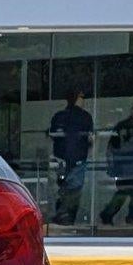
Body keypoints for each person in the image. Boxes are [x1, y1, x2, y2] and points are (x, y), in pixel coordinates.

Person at [48, 91, 94, 226]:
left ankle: (62, 216)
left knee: (63, 189)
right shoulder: (85, 117)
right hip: (77, 159)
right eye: (82, 97)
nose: (84, 100)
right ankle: (65, 218)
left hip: (60, 159)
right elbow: (91, 139)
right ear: (77, 99)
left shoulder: (58, 116)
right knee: (73, 190)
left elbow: (52, 136)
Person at [99, 100, 133, 226]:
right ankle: (130, 216)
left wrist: (112, 165)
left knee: (126, 192)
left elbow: (111, 148)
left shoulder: (122, 126)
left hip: (125, 165)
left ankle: (110, 214)